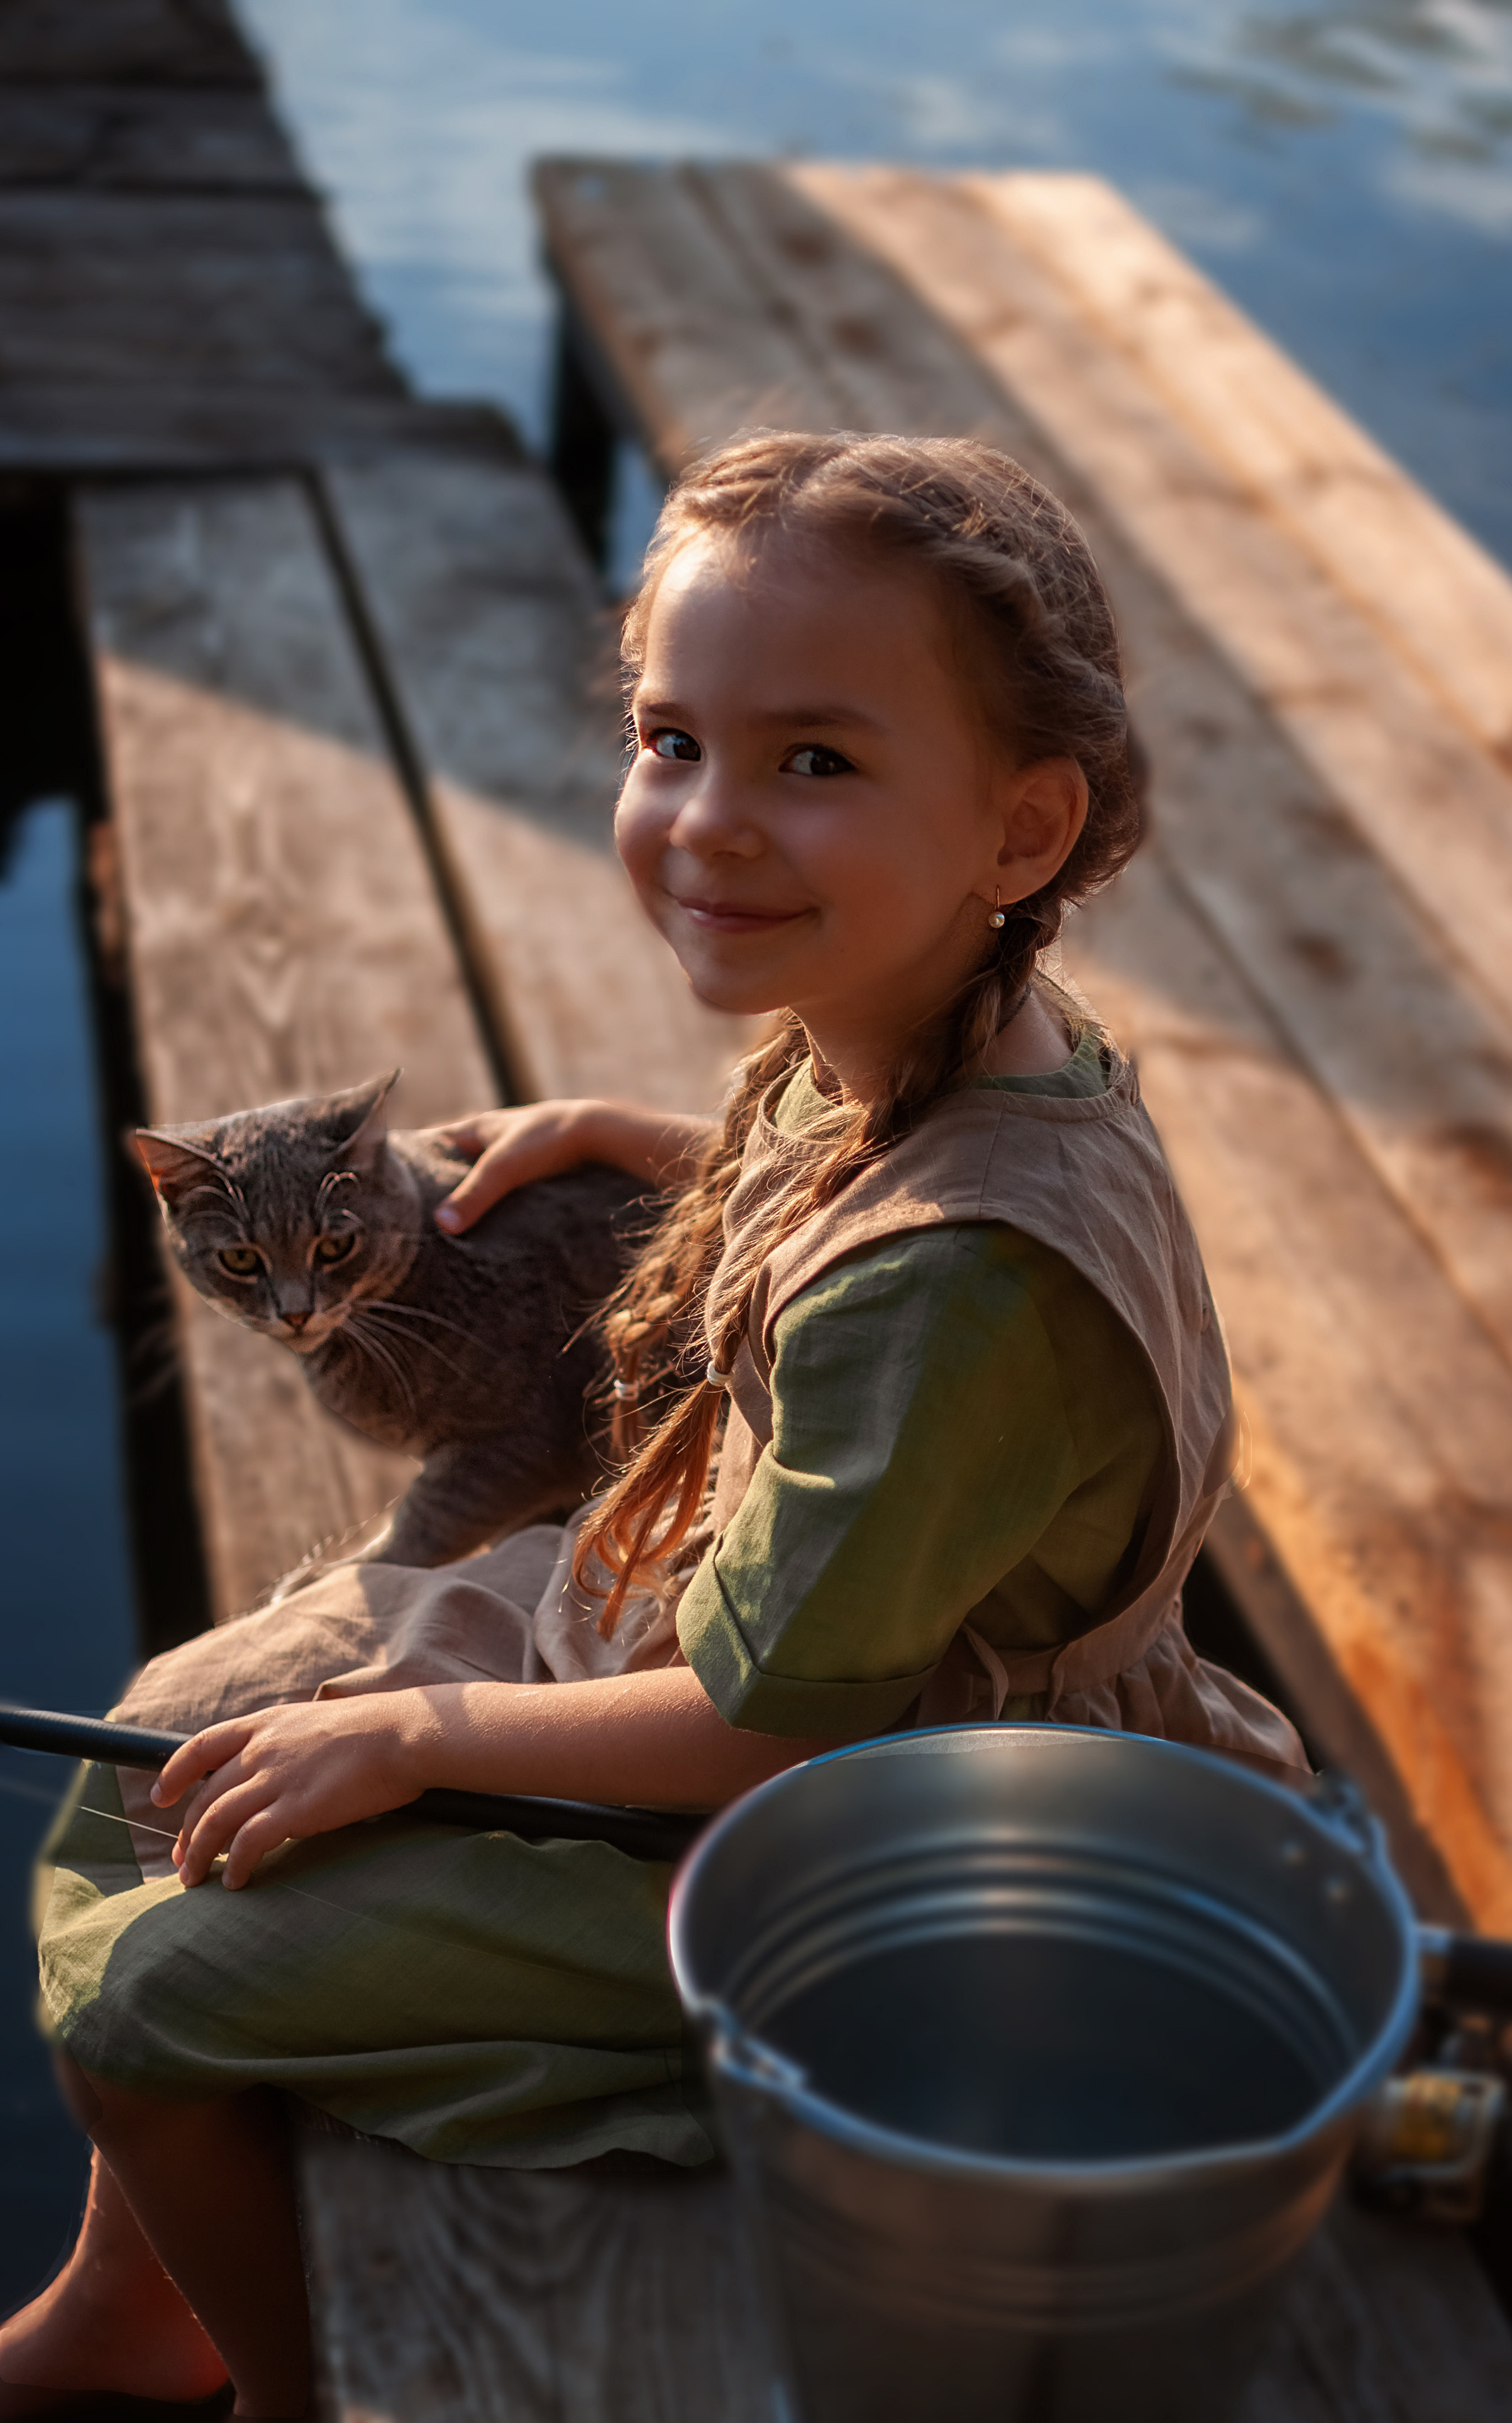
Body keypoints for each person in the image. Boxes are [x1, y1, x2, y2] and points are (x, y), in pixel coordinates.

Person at [3, 431, 1304, 2419]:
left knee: (157, 1989)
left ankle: (276, 2382)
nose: (705, 822)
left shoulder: (960, 1292)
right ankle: (126, 2312)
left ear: (1024, 830)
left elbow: (773, 1717)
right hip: (766, 1648)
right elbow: (869, 1202)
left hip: (902, 1821)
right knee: (169, 1727)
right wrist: (628, 1134)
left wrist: (419, 1732)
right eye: (669, 736)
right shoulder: (937, 1030)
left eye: (817, 761)